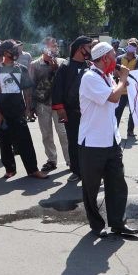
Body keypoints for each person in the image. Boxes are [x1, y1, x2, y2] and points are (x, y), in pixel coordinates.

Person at [78, 41, 138, 238]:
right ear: (104, 58)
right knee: (91, 186)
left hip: (111, 139)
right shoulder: (89, 77)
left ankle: (118, 222)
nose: (117, 59)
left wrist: (120, 82)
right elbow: (113, 98)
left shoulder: (106, 77)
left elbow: (114, 99)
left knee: (117, 183)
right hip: (93, 142)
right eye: (114, 56)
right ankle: (96, 225)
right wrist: (122, 80)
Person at [0, 40, 48, 180]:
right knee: (5, 142)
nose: (17, 52)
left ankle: (33, 170)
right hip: (2, 113)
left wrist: (28, 108)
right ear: (6, 52)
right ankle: (10, 169)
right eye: (14, 49)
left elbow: (27, 91)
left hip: (18, 111)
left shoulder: (21, 68)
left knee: (25, 142)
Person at [51, 36, 93, 182]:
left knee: (90, 142)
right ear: (80, 48)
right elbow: (57, 90)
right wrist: (61, 110)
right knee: (74, 141)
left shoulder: (90, 66)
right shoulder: (66, 67)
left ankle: (90, 170)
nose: (91, 50)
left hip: (89, 112)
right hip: (71, 112)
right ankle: (76, 170)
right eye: (89, 46)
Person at [29, 37, 69, 172]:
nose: (55, 49)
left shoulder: (62, 63)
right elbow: (31, 86)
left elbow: (65, 85)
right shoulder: (35, 64)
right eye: (52, 46)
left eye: (56, 46)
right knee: (46, 134)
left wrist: (56, 69)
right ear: (44, 48)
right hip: (42, 105)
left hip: (59, 106)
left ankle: (71, 160)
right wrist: (31, 107)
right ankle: (52, 160)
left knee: (63, 133)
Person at [115, 38, 138, 137]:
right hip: (120, 90)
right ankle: (115, 130)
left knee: (133, 112)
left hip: (133, 90)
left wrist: (126, 77)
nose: (132, 47)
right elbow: (115, 71)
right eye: (131, 45)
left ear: (136, 47)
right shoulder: (119, 58)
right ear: (127, 46)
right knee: (118, 111)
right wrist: (122, 77)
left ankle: (130, 131)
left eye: (134, 45)